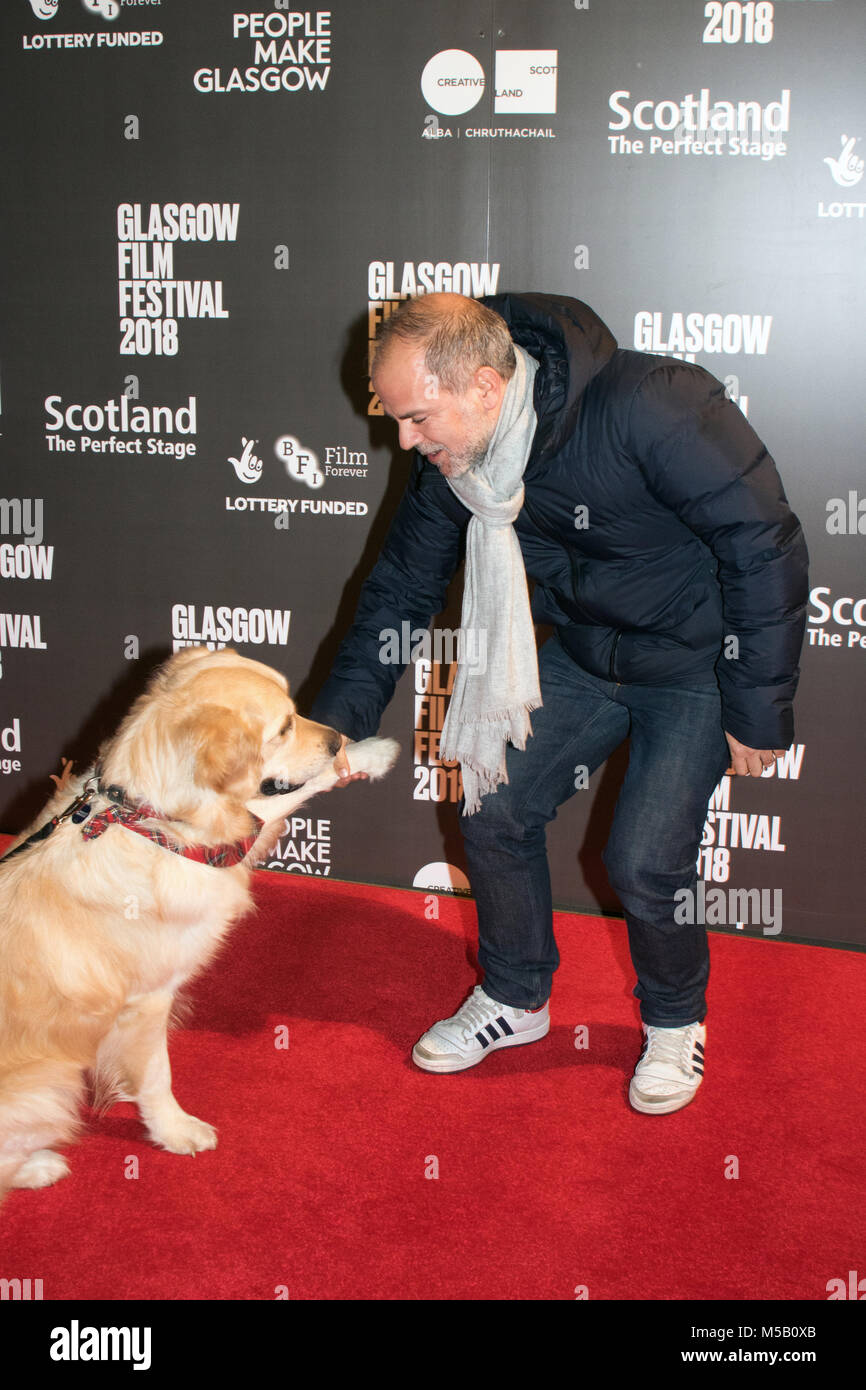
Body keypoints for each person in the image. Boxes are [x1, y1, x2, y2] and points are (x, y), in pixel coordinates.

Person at [315, 291, 808, 1114]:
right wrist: (337, 723)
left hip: (693, 665)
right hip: (584, 652)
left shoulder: (652, 404)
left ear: (482, 384)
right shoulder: (457, 457)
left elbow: (764, 542)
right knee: (494, 808)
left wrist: (756, 703)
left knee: (644, 863)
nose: (404, 439)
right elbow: (402, 586)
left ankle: (677, 1020)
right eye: (399, 420)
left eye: (416, 417)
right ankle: (515, 998)